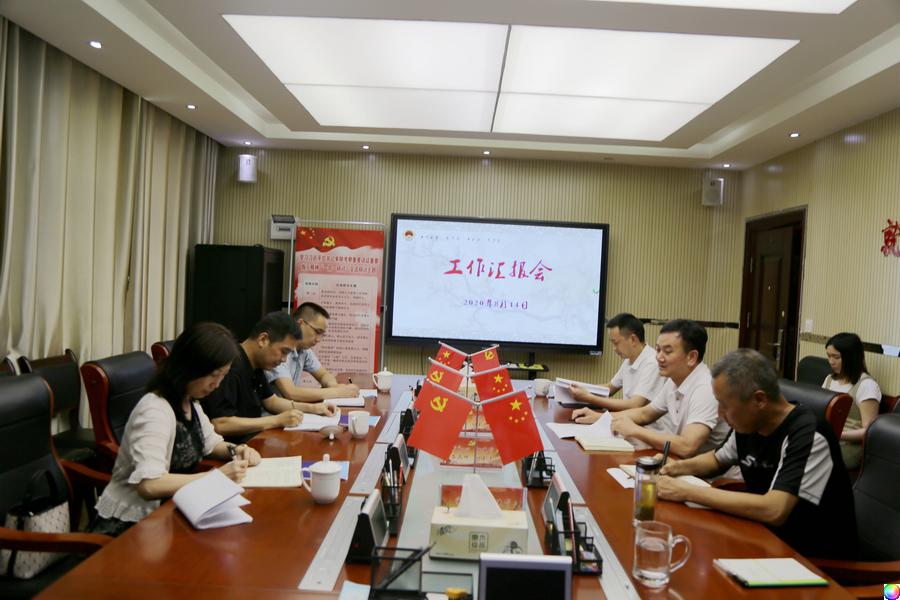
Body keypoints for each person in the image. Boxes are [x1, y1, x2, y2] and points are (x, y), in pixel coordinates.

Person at [657, 348, 856, 560]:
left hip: (810, 557)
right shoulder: (750, 423)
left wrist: (686, 491)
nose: (719, 414)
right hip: (762, 536)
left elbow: (775, 510)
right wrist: (675, 467)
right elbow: (717, 459)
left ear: (759, 400)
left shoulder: (810, 433)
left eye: (724, 406)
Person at [93, 322, 262, 536]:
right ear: (190, 367)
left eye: (223, 375)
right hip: (133, 527)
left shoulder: (189, 401)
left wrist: (238, 450)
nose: (217, 384)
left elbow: (212, 444)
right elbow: (149, 485)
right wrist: (216, 477)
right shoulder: (155, 410)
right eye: (214, 375)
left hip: (178, 511)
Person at [574, 319, 730, 457]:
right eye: (658, 349)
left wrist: (635, 430)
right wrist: (600, 418)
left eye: (667, 351)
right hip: (679, 461)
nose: (659, 357)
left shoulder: (705, 388)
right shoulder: (674, 380)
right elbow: (645, 413)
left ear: (691, 357)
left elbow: (687, 447)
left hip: (710, 477)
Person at [201, 311, 336, 442]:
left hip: (251, 443)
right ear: (263, 340)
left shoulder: (256, 364)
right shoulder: (230, 365)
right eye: (283, 351)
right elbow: (221, 423)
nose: (284, 359)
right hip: (231, 449)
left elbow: (272, 402)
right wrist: (276, 420)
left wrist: (313, 408)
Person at [568, 313, 665, 412]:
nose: (614, 348)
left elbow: (634, 405)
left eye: (616, 343)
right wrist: (580, 388)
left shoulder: (652, 362)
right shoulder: (629, 359)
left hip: (644, 421)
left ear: (633, 339)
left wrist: (589, 397)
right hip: (629, 418)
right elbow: (609, 388)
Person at [266, 302, 360, 402]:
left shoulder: (304, 350)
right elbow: (291, 393)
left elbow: (323, 374)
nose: (318, 339)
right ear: (300, 324)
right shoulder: (280, 347)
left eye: (322, 334)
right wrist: (337, 392)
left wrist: (333, 386)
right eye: (317, 332)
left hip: (291, 408)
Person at [822, 332, 882, 470]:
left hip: (849, 446)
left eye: (836, 357)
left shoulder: (867, 385)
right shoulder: (829, 379)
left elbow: (869, 431)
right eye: (829, 356)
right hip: (829, 439)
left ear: (851, 357)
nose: (831, 361)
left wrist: (838, 435)